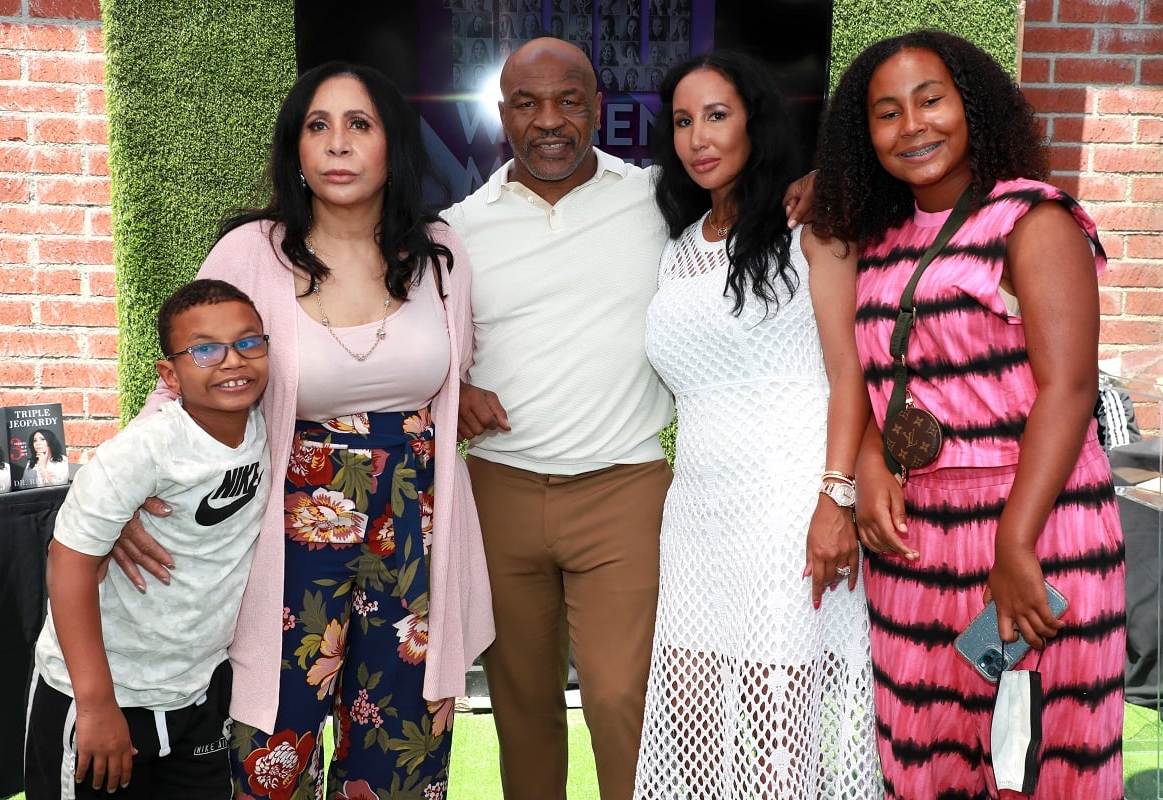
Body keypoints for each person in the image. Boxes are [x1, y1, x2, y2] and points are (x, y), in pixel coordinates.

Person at [443, 36, 816, 800]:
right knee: (520, 711)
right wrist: (451, 393)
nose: (549, 119)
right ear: (501, 114)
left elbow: (752, 194)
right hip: (500, 492)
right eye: (527, 103)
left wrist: (823, 180)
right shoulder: (456, 229)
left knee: (624, 702)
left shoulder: (654, 198)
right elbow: (418, 348)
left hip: (624, 489)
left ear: (598, 108)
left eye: (568, 100)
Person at [115, 62, 494, 799]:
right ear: (296, 148)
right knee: (271, 755)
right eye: (318, 127)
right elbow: (188, 376)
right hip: (288, 535)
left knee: (400, 755)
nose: (338, 145)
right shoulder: (251, 251)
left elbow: (454, 374)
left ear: (392, 146)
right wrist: (126, 489)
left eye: (359, 125)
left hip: (415, 528)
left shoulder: (439, 255)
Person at [812, 29, 1125, 798]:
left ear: (971, 108)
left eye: (930, 100)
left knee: (1037, 761)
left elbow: (1069, 389)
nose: (911, 125)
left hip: (1034, 522)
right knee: (921, 758)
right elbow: (874, 374)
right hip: (915, 544)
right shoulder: (877, 237)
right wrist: (868, 461)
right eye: (886, 113)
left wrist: (1014, 542)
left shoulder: (1033, 218)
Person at [633, 50, 880, 800]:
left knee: (779, 741)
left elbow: (851, 374)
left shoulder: (812, 224)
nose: (697, 137)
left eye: (716, 115)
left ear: (754, 122)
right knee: (692, 717)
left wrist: (835, 499)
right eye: (682, 121)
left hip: (789, 512)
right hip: (698, 515)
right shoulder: (678, 247)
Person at [24, 279, 271, 799]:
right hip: (102, 697)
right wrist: (95, 703)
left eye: (249, 342)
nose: (232, 361)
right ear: (170, 374)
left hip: (197, 694)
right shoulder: (144, 451)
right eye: (205, 349)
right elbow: (67, 564)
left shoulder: (268, 430)